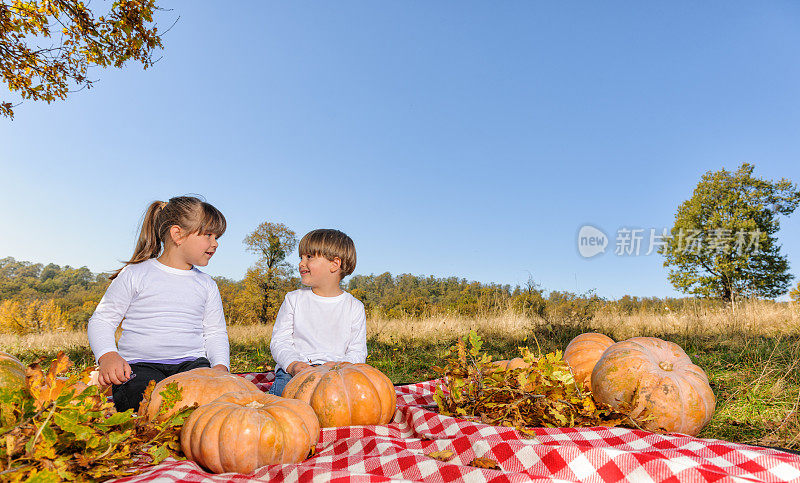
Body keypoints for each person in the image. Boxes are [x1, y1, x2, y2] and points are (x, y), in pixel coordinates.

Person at [87, 196, 231, 413]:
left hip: (192, 365)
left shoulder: (206, 284)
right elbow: (102, 320)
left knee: (213, 404)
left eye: (217, 237)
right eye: (208, 235)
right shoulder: (136, 274)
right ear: (177, 234)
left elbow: (214, 332)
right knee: (148, 403)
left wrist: (220, 366)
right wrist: (108, 355)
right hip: (140, 365)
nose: (215, 243)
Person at [268, 229, 367, 396]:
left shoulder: (354, 307)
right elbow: (280, 342)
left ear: (334, 264)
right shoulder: (293, 300)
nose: (301, 263)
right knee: (280, 405)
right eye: (301, 258)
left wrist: (340, 366)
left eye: (309, 257)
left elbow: (357, 352)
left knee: (352, 402)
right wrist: (293, 365)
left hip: (338, 374)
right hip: (294, 372)